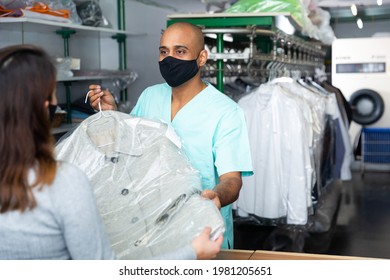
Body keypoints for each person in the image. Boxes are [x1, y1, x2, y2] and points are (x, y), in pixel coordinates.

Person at [0, 44, 222, 260]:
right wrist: (192, 252)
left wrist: (114, 116)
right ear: (42, 105)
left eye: (179, 51)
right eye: (52, 94)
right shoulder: (61, 181)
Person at [88, 21, 254, 249]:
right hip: (149, 225)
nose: (169, 58)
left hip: (201, 229)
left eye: (180, 51)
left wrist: (215, 197)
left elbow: (232, 180)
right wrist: (113, 113)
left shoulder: (226, 112)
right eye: (164, 51)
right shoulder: (150, 96)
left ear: (202, 58)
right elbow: (128, 146)